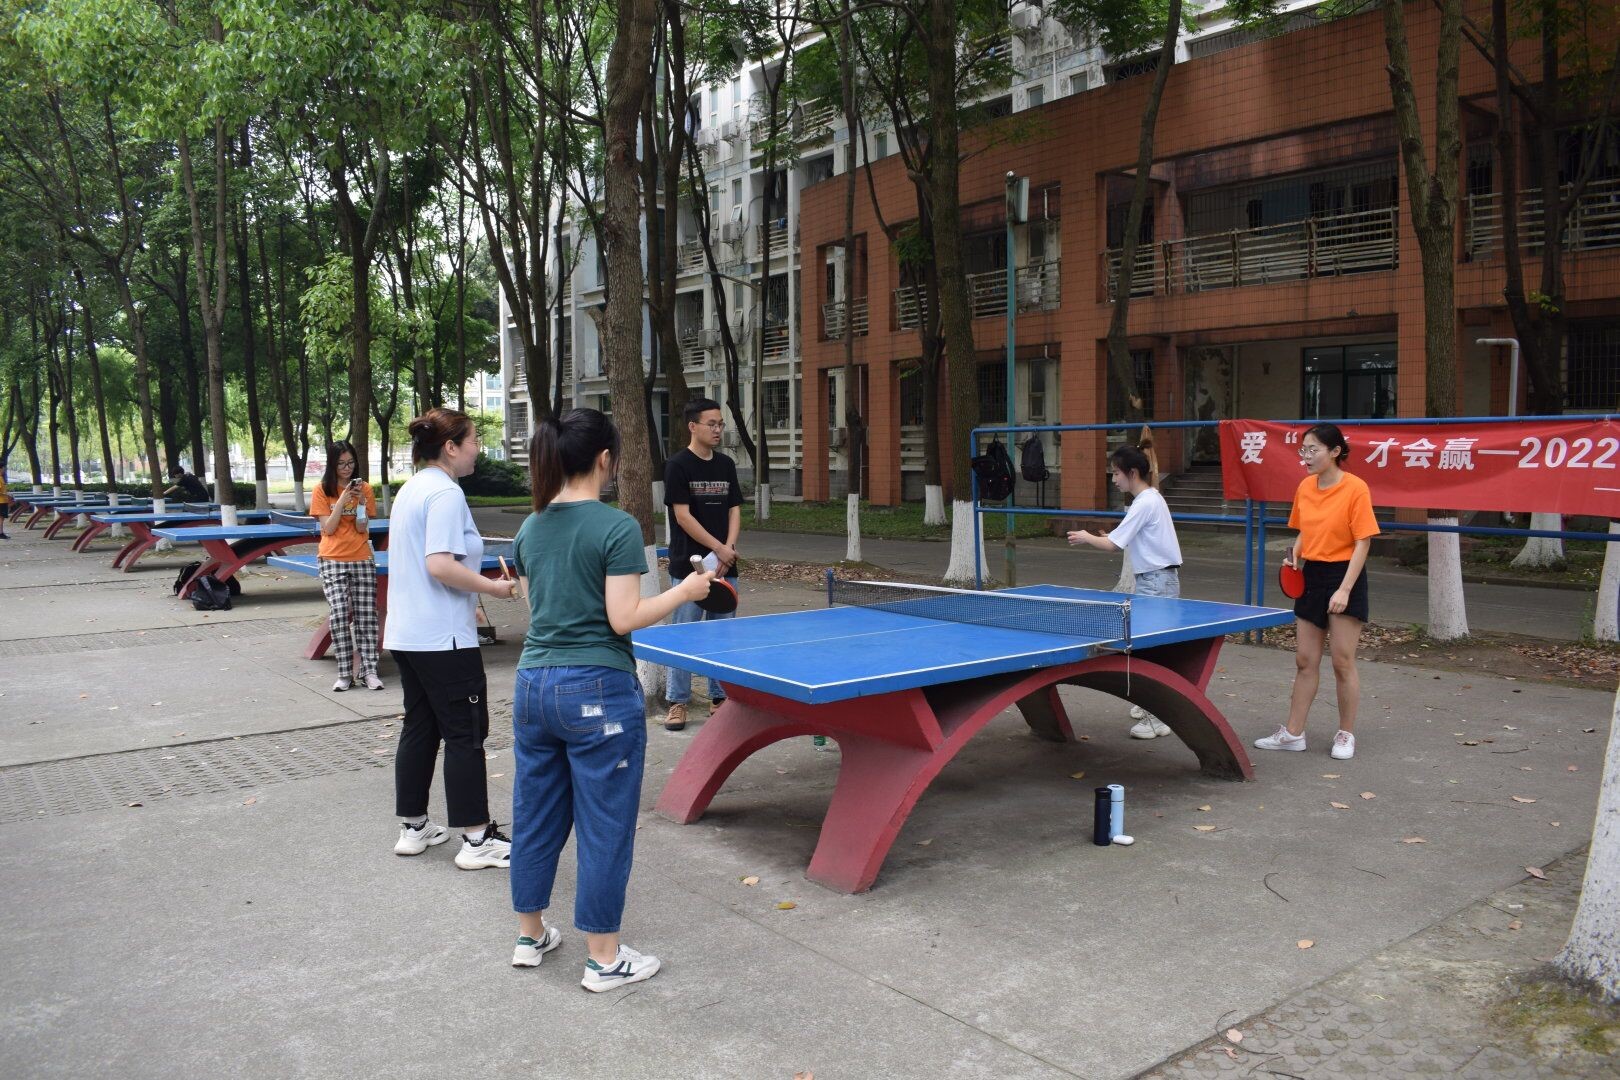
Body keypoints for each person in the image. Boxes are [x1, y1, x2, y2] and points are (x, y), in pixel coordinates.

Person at [508, 408, 713, 990]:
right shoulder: (616, 526)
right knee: (604, 823)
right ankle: (603, 959)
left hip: (533, 687)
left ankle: (530, 935)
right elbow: (623, 618)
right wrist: (686, 590)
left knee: (535, 813)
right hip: (596, 689)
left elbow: (537, 610)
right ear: (605, 459)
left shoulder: (531, 527)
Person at [384, 408, 518, 869]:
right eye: (474, 440)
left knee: (420, 726)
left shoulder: (412, 489)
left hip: (408, 633)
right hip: (443, 639)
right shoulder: (445, 492)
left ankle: (414, 827)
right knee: (465, 734)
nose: (478, 448)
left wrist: (471, 596)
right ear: (450, 447)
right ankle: (477, 840)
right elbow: (439, 564)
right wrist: (493, 589)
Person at [1255, 422, 1379, 761]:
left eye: (1313, 450)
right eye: (1303, 450)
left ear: (1335, 451)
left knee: (1342, 661)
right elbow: (1305, 531)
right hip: (1311, 574)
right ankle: (1293, 734)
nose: (1306, 457)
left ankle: (1346, 733)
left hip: (1345, 574)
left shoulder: (1355, 488)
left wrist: (1344, 590)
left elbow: (1363, 542)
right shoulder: (1306, 487)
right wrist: (1295, 554)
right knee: (1305, 660)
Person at [1067, 444, 1183, 739]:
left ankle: (1158, 717)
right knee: (1151, 645)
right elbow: (1129, 537)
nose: (1114, 479)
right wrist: (1110, 536)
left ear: (1132, 473)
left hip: (1156, 581)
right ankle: (1152, 707)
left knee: (1152, 649)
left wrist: (1087, 536)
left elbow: (1113, 545)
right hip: (1157, 578)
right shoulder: (1151, 498)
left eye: (1116, 473)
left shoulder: (1144, 502)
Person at [661, 397, 742, 732]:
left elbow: (734, 509)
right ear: (693, 426)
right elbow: (682, 516)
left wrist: (729, 550)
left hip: (725, 566)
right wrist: (718, 548)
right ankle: (677, 701)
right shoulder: (677, 465)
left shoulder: (726, 464)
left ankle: (719, 698)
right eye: (712, 424)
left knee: (722, 636)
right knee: (684, 634)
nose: (718, 429)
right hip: (689, 567)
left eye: (720, 424)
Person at [309, 441, 381, 692]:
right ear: (332, 465)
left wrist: (360, 503)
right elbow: (328, 528)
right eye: (341, 464)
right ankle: (344, 674)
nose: (347, 468)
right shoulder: (321, 490)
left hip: (361, 557)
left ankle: (369, 671)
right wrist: (341, 500)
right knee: (339, 615)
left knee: (366, 617)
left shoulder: (365, 489)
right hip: (332, 559)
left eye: (350, 463)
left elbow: (362, 527)